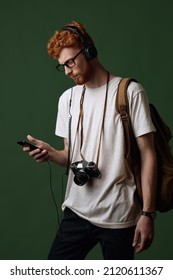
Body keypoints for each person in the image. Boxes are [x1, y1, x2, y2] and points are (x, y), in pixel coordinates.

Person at [23, 21, 157, 260]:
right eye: (62, 66)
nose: (67, 71)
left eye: (70, 63)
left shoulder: (130, 92)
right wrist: (50, 153)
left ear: (89, 51)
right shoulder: (68, 99)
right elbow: (69, 155)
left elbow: (148, 155)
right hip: (76, 211)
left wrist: (147, 214)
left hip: (119, 217)